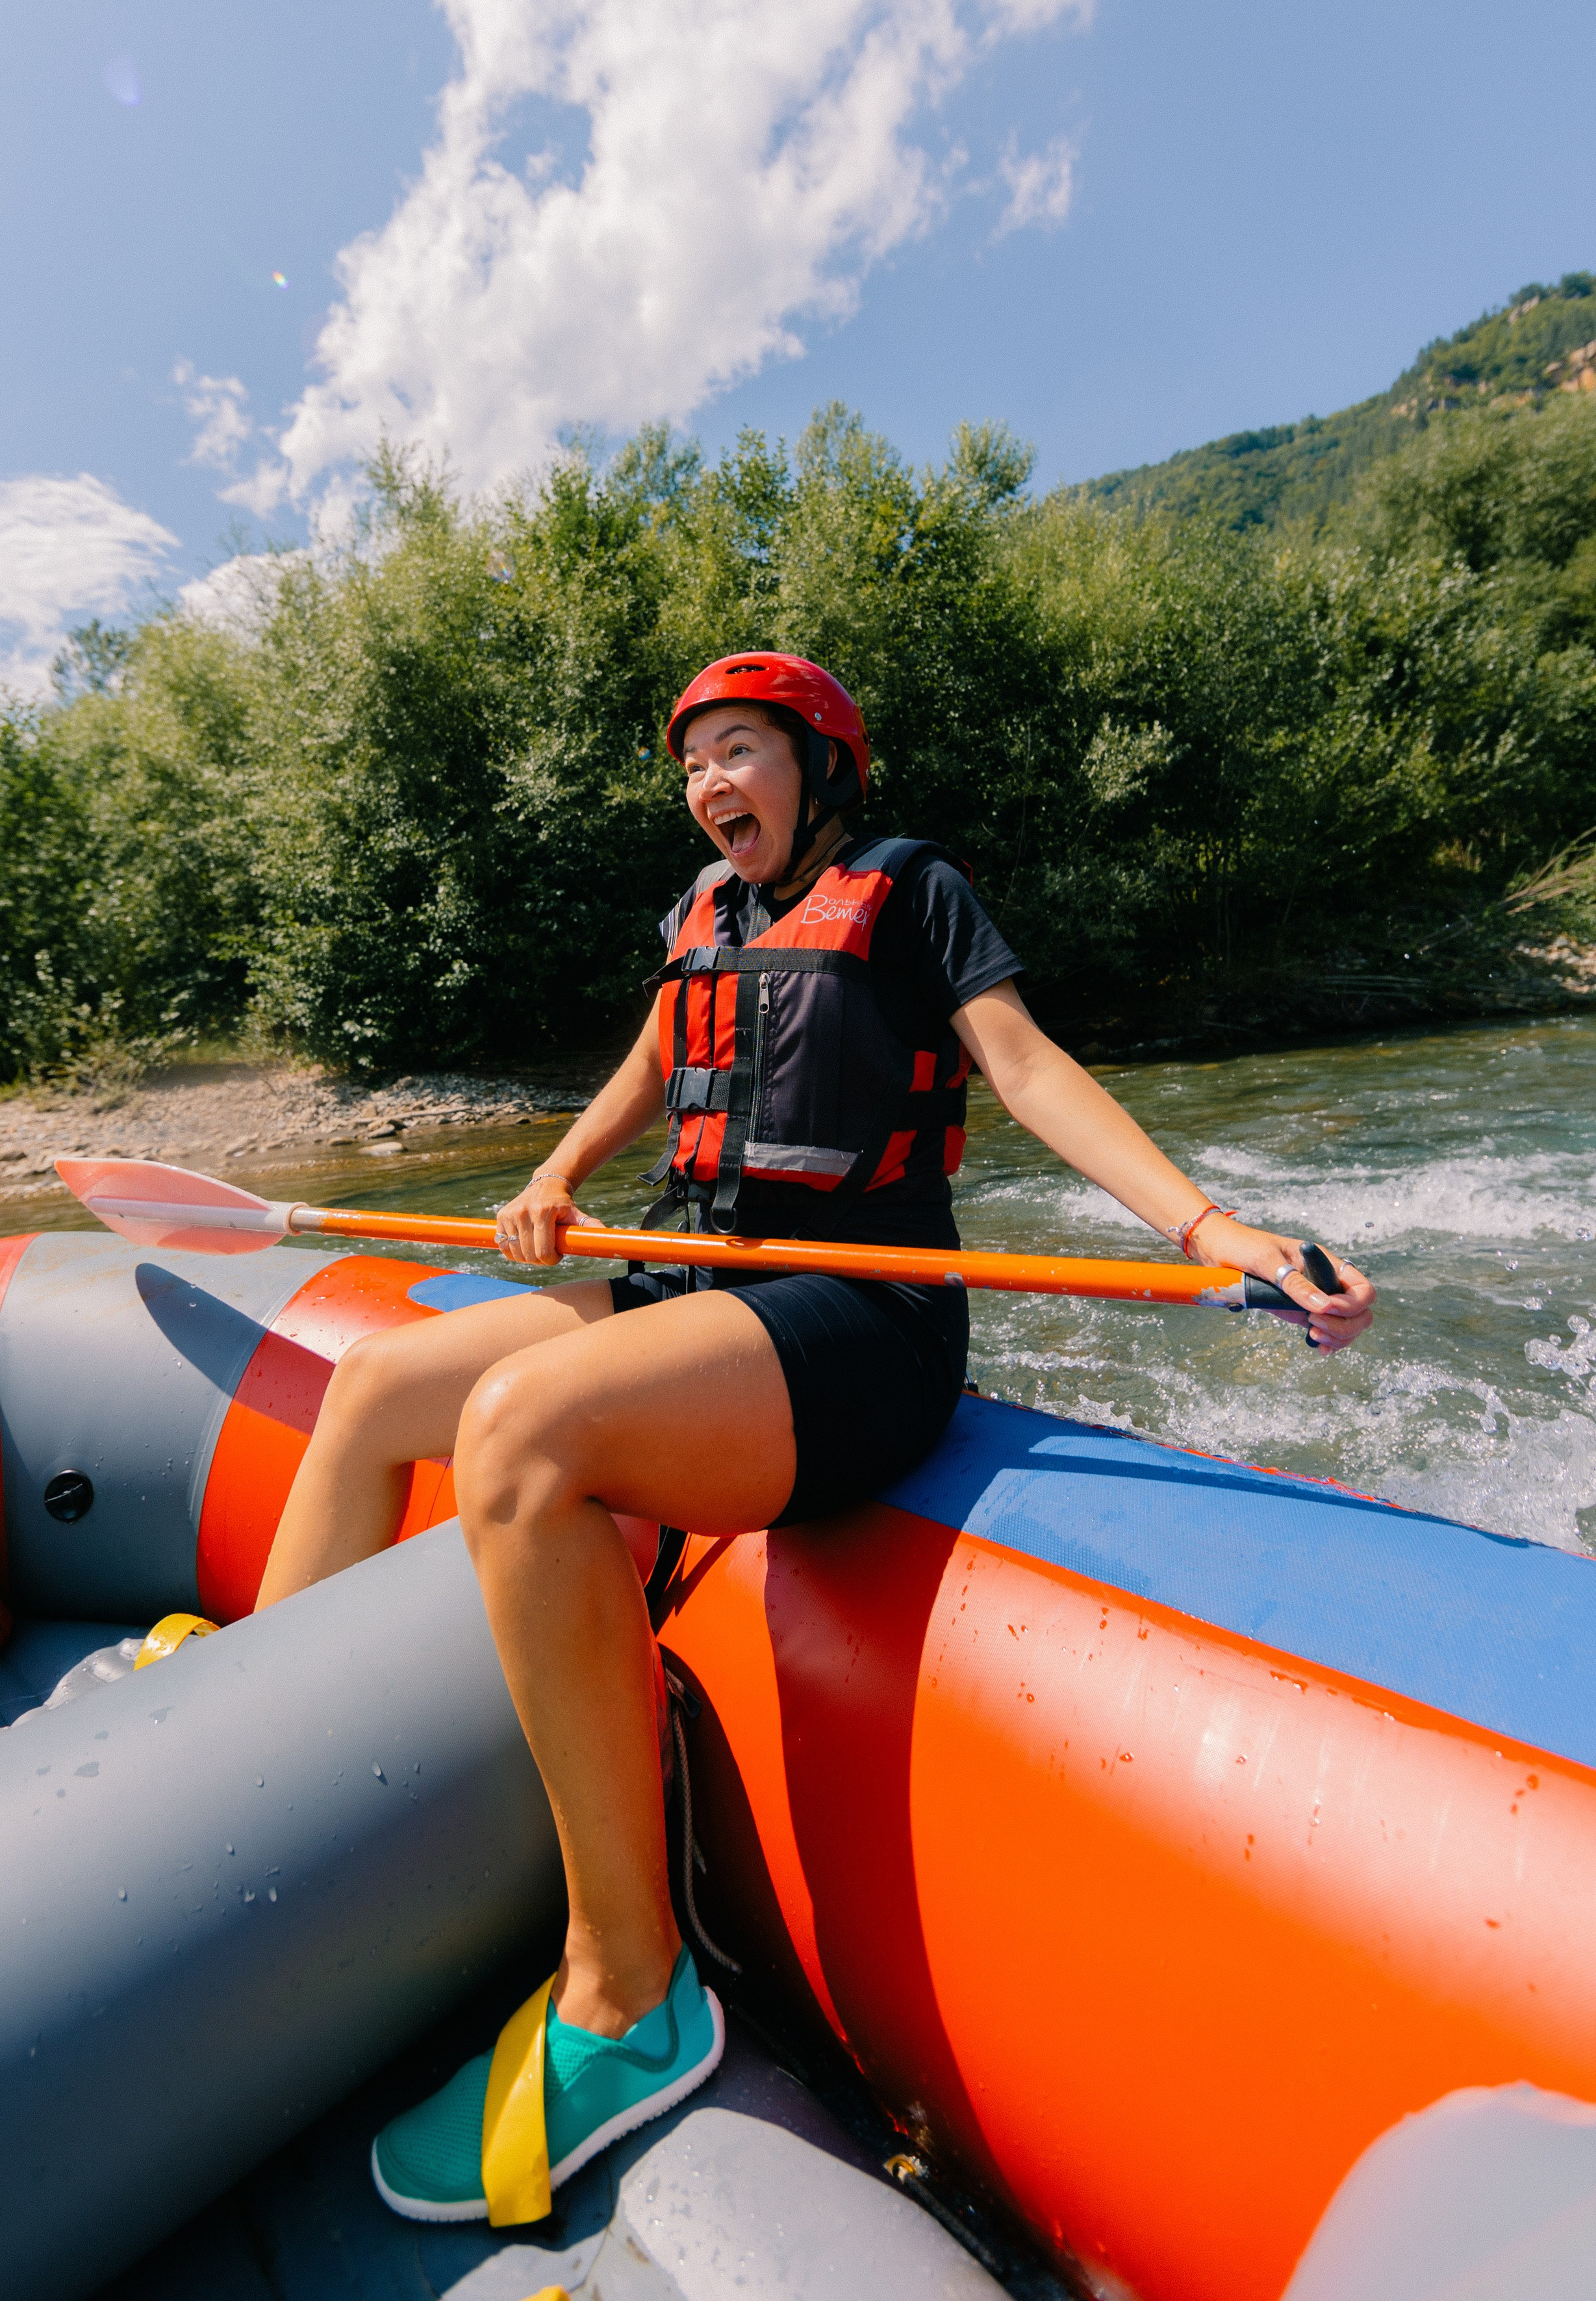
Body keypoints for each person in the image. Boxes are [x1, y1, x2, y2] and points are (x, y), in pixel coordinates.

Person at [254, 651, 1376, 2225]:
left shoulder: (906, 890)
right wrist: (562, 1173)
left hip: (856, 1321)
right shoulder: (699, 916)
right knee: (381, 1387)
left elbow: (1027, 1065)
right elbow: (658, 1058)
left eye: (738, 754)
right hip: (683, 1278)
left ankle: (628, 2000)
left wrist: (1213, 1229)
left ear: (816, 767)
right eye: (695, 765)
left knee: (519, 1428)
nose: (713, 786)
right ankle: (258, 1741)